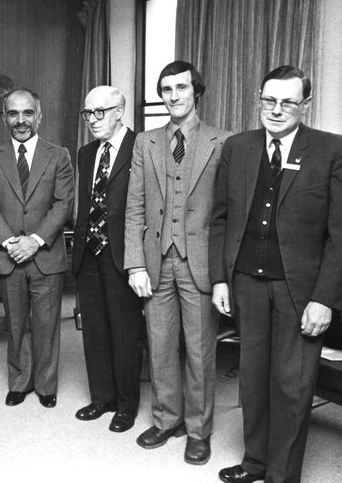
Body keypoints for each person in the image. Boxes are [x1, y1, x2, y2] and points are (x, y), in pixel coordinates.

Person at [209, 66, 342, 483]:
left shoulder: (334, 150)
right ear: (258, 97)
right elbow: (220, 219)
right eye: (268, 100)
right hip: (246, 284)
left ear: (304, 105)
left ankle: (282, 474)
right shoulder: (237, 147)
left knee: (292, 386)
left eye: (288, 102)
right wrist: (220, 278)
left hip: (302, 291)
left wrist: (324, 299)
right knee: (252, 381)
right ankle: (255, 461)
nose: (276, 110)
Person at [124, 60, 230, 465]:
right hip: (154, 261)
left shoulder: (223, 140)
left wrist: (222, 274)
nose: (173, 96)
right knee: (161, 346)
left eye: (181, 88)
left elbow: (226, 213)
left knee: (201, 352)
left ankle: (198, 430)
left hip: (199, 262)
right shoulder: (145, 142)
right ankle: (166, 419)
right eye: (166, 89)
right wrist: (135, 263)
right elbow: (134, 206)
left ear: (196, 91)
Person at [0, 88, 74, 408]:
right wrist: (9, 242)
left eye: (28, 113)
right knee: (15, 323)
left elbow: (63, 204)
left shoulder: (58, 155)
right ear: (4, 118)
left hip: (45, 254)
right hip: (8, 256)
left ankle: (45, 385)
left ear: (39, 116)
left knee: (46, 325)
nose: (21, 120)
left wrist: (34, 241)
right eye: (14, 114)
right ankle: (19, 381)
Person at [71, 86, 142, 432]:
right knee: (94, 330)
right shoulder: (86, 153)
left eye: (101, 112)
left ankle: (127, 405)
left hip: (122, 254)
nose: (93, 120)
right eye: (88, 114)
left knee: (125, 331)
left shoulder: (141, 147)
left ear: (120, 111)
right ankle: (102, 397)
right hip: (89, 253)